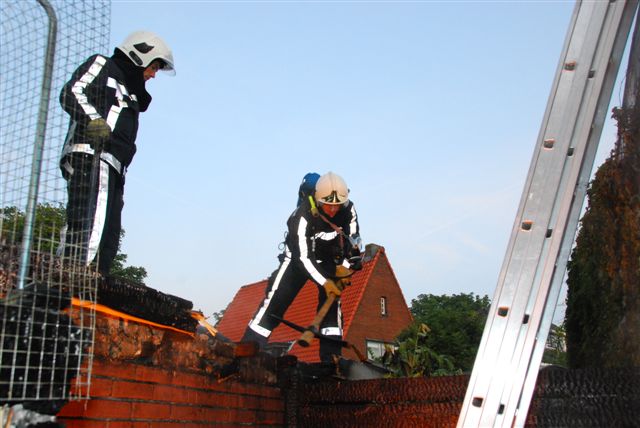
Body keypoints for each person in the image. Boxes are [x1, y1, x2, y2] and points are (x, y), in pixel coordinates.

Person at [57, 31, 175, 276]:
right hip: (91, 154)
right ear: (139, 56)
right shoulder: (103, 65)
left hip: (114, 167)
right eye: (152, 67)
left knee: (109, 235)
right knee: (90, 224)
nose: (153, 75)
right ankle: (71, 279)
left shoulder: (132, 95)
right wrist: (93, 121)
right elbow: (73, 91)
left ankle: (96, 283)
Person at [242, 172, 363, 362]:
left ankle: (332, 362)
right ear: (317, 199)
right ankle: (247, 351)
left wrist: (345, 268)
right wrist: (325, 282)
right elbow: (303, 258)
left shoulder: (349, 210)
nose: (332, 210)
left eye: (336, 206)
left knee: (331, 311)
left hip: (329, 260)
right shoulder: (301, 217)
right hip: (297, 260)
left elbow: (353, 243)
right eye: (328, 205)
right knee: (276, 301)